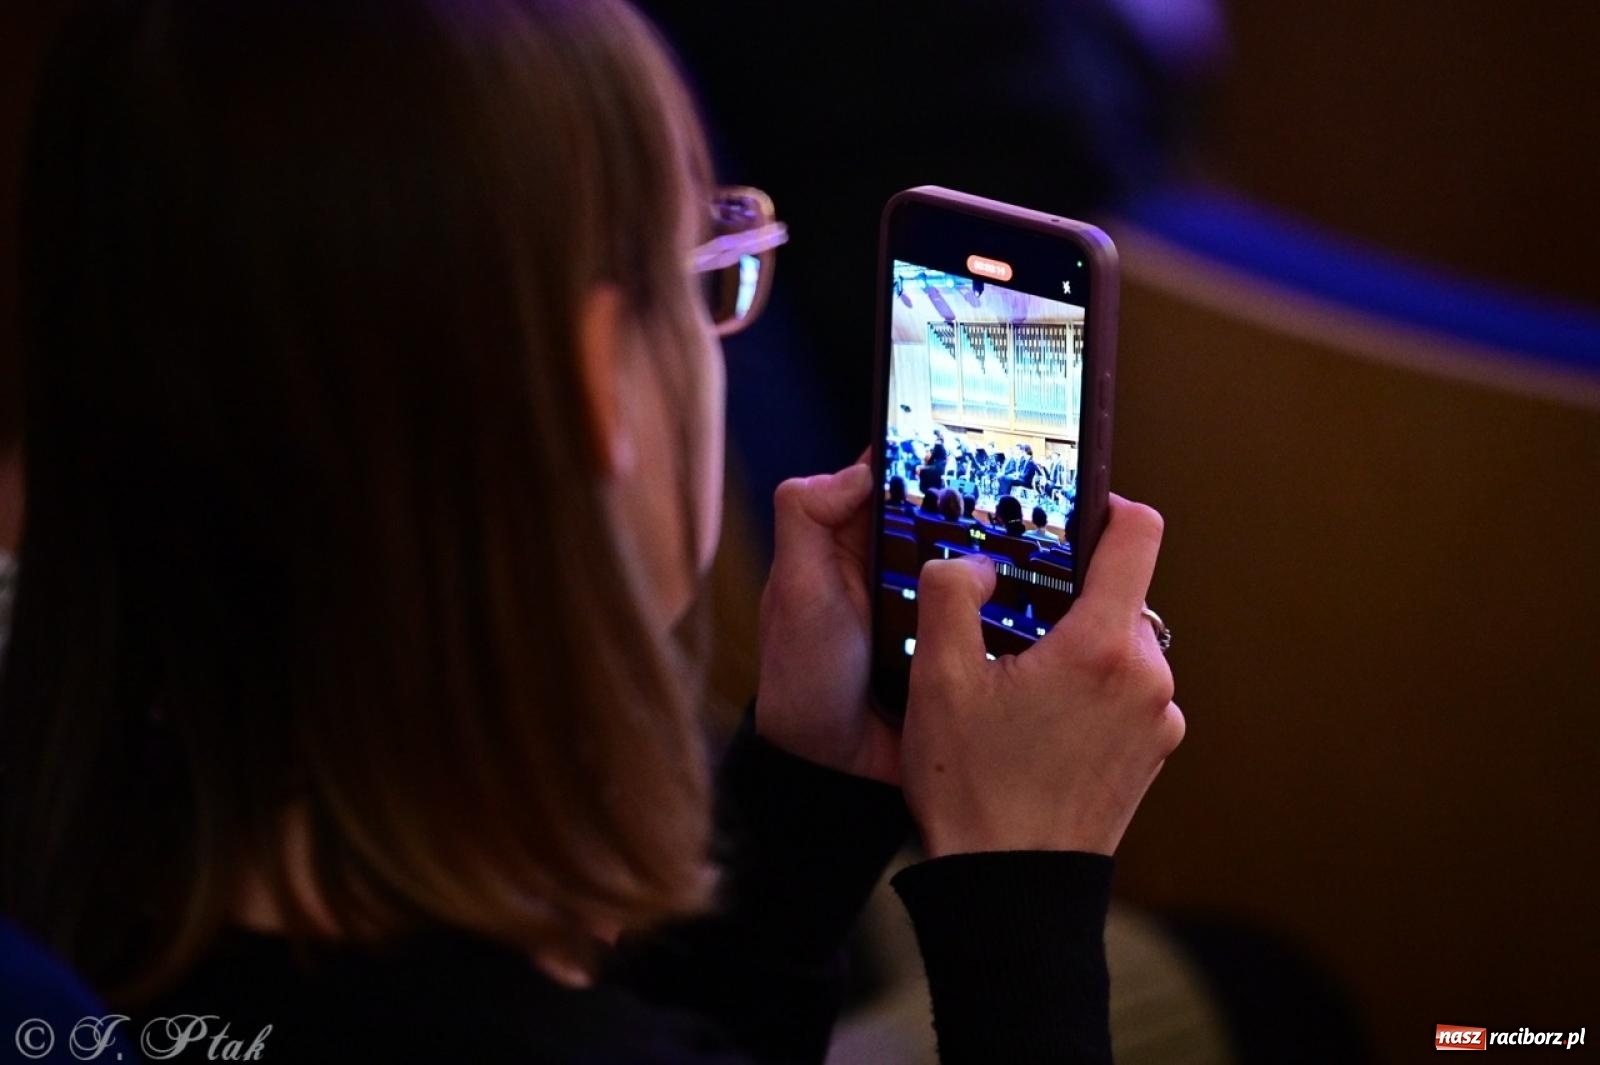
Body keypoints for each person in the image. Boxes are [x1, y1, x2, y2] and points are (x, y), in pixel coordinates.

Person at [0, 2, 1183, 1063]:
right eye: (710, 274)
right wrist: (1022, 892)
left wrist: (807, 793)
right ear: (596, 386)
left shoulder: (80, 875)